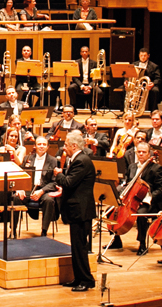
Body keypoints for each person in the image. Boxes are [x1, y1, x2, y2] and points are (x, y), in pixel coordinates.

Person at [54, 130, 96, 291]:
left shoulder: (81, 161)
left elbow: (69, 182)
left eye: (65, 145)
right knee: (77, 246)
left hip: (81, 210)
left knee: (80, 247)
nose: (64, 148)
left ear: (74, 145)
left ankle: (86, 280)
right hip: (77, 210)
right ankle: (79, 278)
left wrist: (59, 174)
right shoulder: (77, 159)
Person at [118, 142, 162, 255]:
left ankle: (142, 244)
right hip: (132, 199)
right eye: (138, 152)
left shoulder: (157, 168)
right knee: (116, 210)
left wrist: (148, 199)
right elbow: (127, 183)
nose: (141, 154)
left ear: (149, 154)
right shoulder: (132, 167)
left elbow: (161, 190)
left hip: (149, 202)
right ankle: (116, 240)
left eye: (143, 152)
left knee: (140, 214)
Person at [68, 46, 102, 112]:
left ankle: (93, 108)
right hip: (79, 84)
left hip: (90, 84)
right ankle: (73, 109)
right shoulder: (76, 63)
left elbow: (95, 77)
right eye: (83, 52)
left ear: (88, 52)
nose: (84, 53)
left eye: (86, 51)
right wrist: (82, 86)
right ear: (80, 53)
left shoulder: (94, 63)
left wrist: (89, 86)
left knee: (99, 92)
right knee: (71, 88)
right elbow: (74, 77)